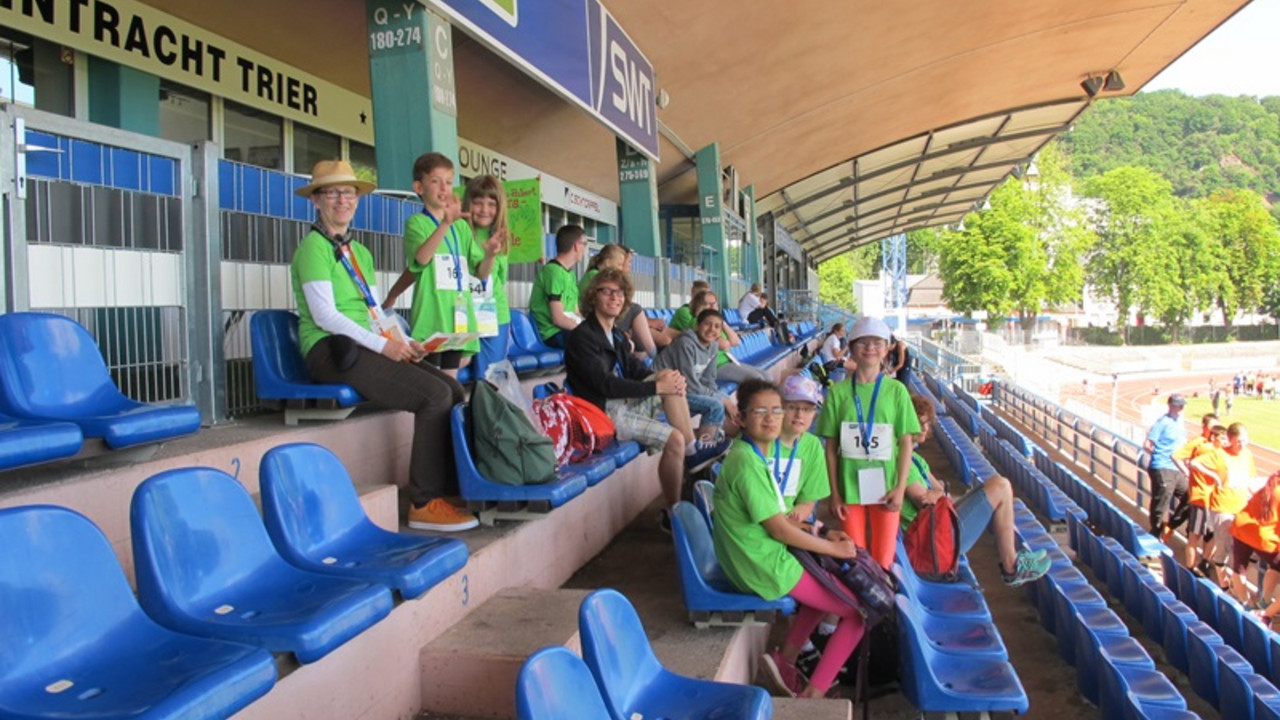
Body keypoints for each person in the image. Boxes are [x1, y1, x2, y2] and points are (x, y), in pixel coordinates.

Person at [289, 159, 474, 532]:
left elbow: (376, 312)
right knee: (433, 397)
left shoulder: (360, 252)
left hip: (364, 344)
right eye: (333, 192)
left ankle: (448, 490)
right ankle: (422, 503)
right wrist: (382, 346)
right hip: (331, 350)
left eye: (349, 192)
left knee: (452, 388)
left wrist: (406, 342)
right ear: (317, 201)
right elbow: (324, 316)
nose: (343, 199)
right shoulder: (314, 248)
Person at [713, 378, 866, 699]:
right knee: (858, 611)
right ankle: (815, 693)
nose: (772, 418)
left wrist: (821, 532)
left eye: (776, 411)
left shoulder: (753, 454)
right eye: (760, 412)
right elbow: (779, 529)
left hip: (762, 553)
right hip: (761, 560)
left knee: (823, 589)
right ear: (740, 418)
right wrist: (833, 548)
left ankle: (785, 661)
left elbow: (782, 519)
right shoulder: (746, 461)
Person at [565, 268, 707, 510]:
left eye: (619, 293)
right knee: (675, 439)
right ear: (593, 297)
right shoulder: (583, 337)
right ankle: (674, 510)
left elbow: (636, 370)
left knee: (667, 376)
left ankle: (692, 451)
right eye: (606, 292)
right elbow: (605, 385)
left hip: (621, 404)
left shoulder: (616, 335)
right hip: (603, 415)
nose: (614, 297)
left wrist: (669, 380)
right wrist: (657, 387)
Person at [901, 394, 1052, 585]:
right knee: (1001, 485)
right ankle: (1012, 566)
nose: (925, 427)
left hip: (938, 526)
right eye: (919, 421)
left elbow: (941, 493)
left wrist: (939, 494)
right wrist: (939, 495)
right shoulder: (903, 461)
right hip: (934, 539)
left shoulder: (916, 459)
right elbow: (925, 501)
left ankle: (1013, 563)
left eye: (927, 422)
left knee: (995, 486)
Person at [816, 316, 921, 570]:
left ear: (886, 349)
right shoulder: (838, 394)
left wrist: (899, 488)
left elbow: (906, 444)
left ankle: (882, 606)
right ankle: (861, 608)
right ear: (851, 347)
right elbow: (831, 448)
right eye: (863, 342)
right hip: (849, 487)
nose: (870, 348)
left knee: (884, 557)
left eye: (877, 343)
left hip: (885, 487)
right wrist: (835, 494)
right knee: (855, 557)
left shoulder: (897, 391)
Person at [398, 152, 498, 378]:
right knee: (433, 386)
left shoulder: (461, 228)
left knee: (452, 385)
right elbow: (421, 259)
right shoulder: (417, 223)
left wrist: (490, 254)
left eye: (449, 182)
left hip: (458, 319)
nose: (444, 188)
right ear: (419, 187)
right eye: (435, 181)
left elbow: (480, 273)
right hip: (432, 318)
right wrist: (445, 223)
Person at [654, 308, 740, 440]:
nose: (712, 329)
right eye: (707, 324)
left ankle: (713, 440)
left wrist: (725, 399)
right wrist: (722, 400)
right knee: (715, 406)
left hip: (683, 389)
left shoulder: (713, 346)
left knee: (723, 398)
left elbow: (709, 380)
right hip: (665, 392)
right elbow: (691, 385)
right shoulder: (685, 343)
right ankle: (704, 447)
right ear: (697, 326)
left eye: (717, 326)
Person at [579, 243, 665, 357]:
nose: (621, 269)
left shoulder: (593, 274)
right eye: (619, 265)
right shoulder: (596, 276)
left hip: (602, 321)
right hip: (595, 321)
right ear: (608, 263)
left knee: (638, 345)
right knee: (635, 309)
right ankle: (655, 356)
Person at [1199, 422, 1257, 587]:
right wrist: (1215, 477)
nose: (1242, 445)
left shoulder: (1247, 455)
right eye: (1239, 441)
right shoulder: (1219, 454)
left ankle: (1234, 583)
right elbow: (1195, 464)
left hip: (1241, 508)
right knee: (1223, 547)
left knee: (1244, 550)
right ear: (1230, 439)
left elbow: (1250, 480)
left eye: (1245, 441)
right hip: (1222, 507)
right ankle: (1225, 586)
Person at [1229, 471, 1280, 617]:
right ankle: (1264, 613)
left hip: (1242, 526)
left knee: (1239, 568)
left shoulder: (1272, 482)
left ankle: (1248, 605)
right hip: (1261, 535)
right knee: (1276, 565)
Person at [1178, 423, 1227, 570]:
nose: (1225, 443)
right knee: (1195, 536)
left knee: (1211, 534)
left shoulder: (1216, 452)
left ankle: (1204, 563)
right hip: (1202, 498)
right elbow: (1193, 463)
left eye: (1226, 439)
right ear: (1213, 438)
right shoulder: (1207, 450)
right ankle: (1191, 568)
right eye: (1222, 439)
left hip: (1214, 500)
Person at [530, 225, 588, 348]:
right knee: (592, 344)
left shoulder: (570, 274)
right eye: (585, 244)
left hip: (568, 329)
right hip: (553, 333)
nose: (585, 249)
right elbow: (558, 319)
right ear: (577, 246)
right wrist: (586, 332)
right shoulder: (553, 272)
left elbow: (576, 312)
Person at [1144, 393, 1189, 535]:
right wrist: (1159, 456)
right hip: (1163, 467)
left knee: (1191, 497)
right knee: (1161, 502)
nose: (1180, 407)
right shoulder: (1162, 422)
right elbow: (1147, 444)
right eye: (1177, 404)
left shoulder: (1181, 421)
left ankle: (1170, 526)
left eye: (1182, 404)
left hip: (1178, 467)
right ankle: (1155, 533)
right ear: (1170, 405)